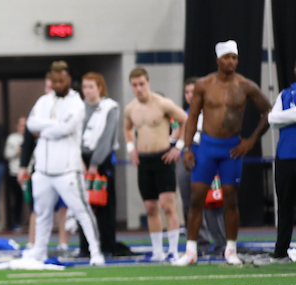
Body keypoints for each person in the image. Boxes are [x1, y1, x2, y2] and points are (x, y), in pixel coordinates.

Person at [180, 40, 272, 266]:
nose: (232, 61)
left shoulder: (245, 85)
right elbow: (192, 118)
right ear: (218, 59)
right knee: (196, 199)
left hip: (231, 149)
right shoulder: (204, 84)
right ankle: (191, 250)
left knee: (230, 200)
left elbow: (269, 111)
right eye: (227, 57)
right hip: (207, 147)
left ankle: (230, 249)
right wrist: (187, 147)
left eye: (235, 57)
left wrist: (251, 141)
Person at [17, 61, 105, 267]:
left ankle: (96, 252)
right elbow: (31, 125)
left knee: (82, 211)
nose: (57, 84)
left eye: (61, 80)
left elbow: (65, 129)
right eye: (54, 80)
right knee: (42, 213)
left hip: (67, 170)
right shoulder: (43, 101)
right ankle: (39, 251)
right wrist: (52, 125)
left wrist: (44, 129)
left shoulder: (76, 102)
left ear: (68, 80)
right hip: (43, 170)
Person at [122, 67, 188, 262]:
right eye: (134, 85)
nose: (139, 88)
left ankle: (174, 251)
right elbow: (127, 128)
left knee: (168, 206)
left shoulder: (163, 104)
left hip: (163, 158)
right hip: (144, 160)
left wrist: (179, 147)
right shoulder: (131, 108)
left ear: (148, 83)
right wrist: (130, 149)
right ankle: (158, 251)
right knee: (150, 207)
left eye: (142, 84)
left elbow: (186, 121)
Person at [176, 77, 227, 254]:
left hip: (207, 156)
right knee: (189, 202)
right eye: (187, 92)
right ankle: (200, 243)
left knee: (212, 203)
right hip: (187, 158)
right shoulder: (183, 114)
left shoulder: (212, 111)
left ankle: (221, 243)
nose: (190, 95)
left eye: (193, 91)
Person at [79, 72, 120, 258]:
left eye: (91, 87)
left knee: (104, 204)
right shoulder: (79, 108)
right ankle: (85, 247)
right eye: (84, 87)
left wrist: (95, 163)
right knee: (82, 204)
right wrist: (79, 160)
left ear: (99, 88)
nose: (87, 91)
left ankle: (107, 245)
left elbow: (107, 137)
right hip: (80, 160)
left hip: (101, 161)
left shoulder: (109, 107)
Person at [261, 64, 296, 264]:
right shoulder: (285, 93)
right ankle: (281, 251)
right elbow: (271, 119)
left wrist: (282, 117)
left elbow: (277, 117)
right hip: (285, 156)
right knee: (284, 206)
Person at [3, 117, 26, 232]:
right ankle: (16, 223)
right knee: (17, 199)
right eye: (21, 125)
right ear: (17, 126)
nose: (23, 128)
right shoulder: (12, 138)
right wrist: (17, 151)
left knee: (32, 200)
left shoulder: (33, 137)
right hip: (15, 172)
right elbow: (7, 154)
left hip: (30, 173)